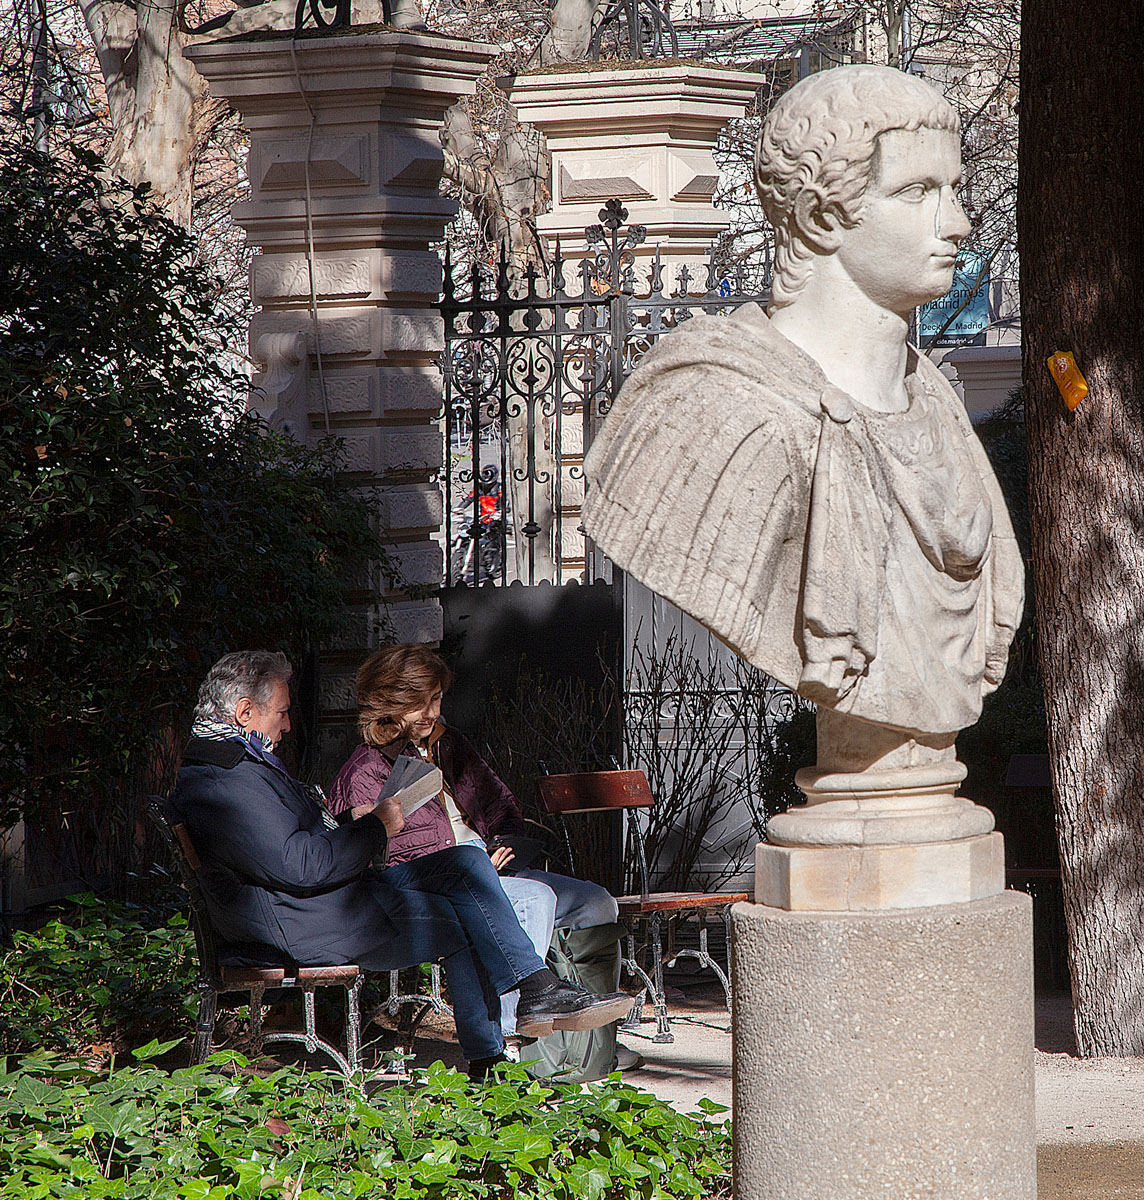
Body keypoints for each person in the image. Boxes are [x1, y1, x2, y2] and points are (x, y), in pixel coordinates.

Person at [582, 65, 1024, 743]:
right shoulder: (718, 404)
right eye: (917, 192)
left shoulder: (933, 400)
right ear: (820, 217)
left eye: (954, 191)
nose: (960, 223)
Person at [169, 650, 631, 1078]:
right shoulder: (227, 778)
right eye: (282, 712)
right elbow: (299, 866)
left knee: (466, 862)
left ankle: (534, 989)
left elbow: (296, 846)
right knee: (472, 917)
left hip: (324, 900)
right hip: (305, 921)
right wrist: (377, 826)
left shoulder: (238, 765)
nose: (288, 725)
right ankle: (490, 1062)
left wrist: (350, 823)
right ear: (245, 712)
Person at [328, 644, 634, 1081]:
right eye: (422, 702)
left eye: (437, 698)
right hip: (447, 883)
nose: (434, 711)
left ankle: (594, 1042)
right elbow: (374, 855)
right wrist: (470, 861)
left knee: (597, 903)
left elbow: (499, 801)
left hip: (492, 866)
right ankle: (518, 1040)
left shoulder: (449, 746)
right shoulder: (366, 768)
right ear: (391, 703)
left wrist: (506, 840)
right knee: (534, 898)